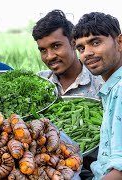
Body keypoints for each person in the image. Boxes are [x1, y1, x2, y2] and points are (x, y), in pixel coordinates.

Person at [73, 12, 122, 180]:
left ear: (120, 42)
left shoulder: (120, 90)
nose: (87, 53)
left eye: (95, 42)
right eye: (81, 48)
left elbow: (119, 172)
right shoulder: (112, 87)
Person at [32, 9, 104, 99]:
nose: (49, 57)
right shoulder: (39, 81)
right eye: (43, 50)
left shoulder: (101, 84)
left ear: (73, 43)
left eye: (56, 46)